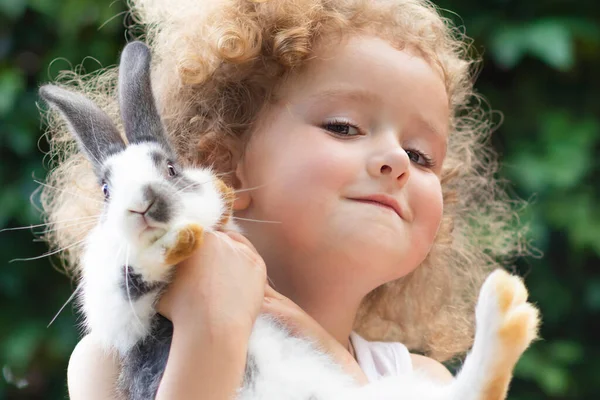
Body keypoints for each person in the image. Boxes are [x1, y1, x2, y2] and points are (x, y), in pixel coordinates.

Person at [41, 0, 526, 398]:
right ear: (223, 166)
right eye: (343, 127)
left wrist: (327, 354)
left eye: (421, 157)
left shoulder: (425, 381)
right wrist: (215, 328)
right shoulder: (110, 362)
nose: (397, 159)